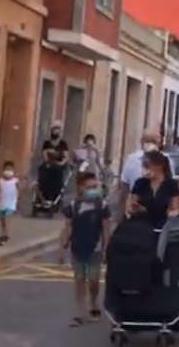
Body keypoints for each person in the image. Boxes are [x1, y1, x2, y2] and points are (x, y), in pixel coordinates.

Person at [58, 172, 110, 327]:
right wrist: (62, 249)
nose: (94, 189)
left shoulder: (102, 205)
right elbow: (67, 228)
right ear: (81, 187)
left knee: (94, 281)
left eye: (95, 186)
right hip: (77, 248)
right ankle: (80, 312)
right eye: (90, 187)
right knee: (79, 280)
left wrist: (107, 248)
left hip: (96, 248)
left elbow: (106, 229)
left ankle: (93, 303)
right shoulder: (74, 205)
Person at [127, 151, 179, 230]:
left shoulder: (171, 184)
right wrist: (135, 209)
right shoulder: (140, 183)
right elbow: (130, 207)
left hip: (161, 226)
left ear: (159, 166)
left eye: (147, 166)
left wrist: (170, 214)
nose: (144, 170)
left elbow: (175, 209)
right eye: (143, 166)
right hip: (140, 225)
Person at [119, 131, 166, 218]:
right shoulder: (132, 159)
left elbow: (124, 187)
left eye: (154, 141)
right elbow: (124, 186)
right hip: (145, 210)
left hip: (151, 211)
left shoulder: (131, 158)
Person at [39, 122, 70, 203]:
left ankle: (56, 196)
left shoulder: (63, 144)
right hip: (49, 164)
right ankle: (44, 195)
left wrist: (61, 163)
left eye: (57, 130)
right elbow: (44, 154)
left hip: (59, 165)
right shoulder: (47, 143)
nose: (55, 132)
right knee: (43, 172)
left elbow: (66, 156)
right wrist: (48, 162)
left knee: (58, 176)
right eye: (54, 130)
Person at [0, 161, 19, 246]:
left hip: (10, 205)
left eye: (10, 169)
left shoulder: (15, 181)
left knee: (6, 219)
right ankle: (3, 234)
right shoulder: (0, 181)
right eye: (6, 169)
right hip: (2, 204)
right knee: (2, 221)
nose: (8, 171)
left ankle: (5, 236)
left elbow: (21, 189)